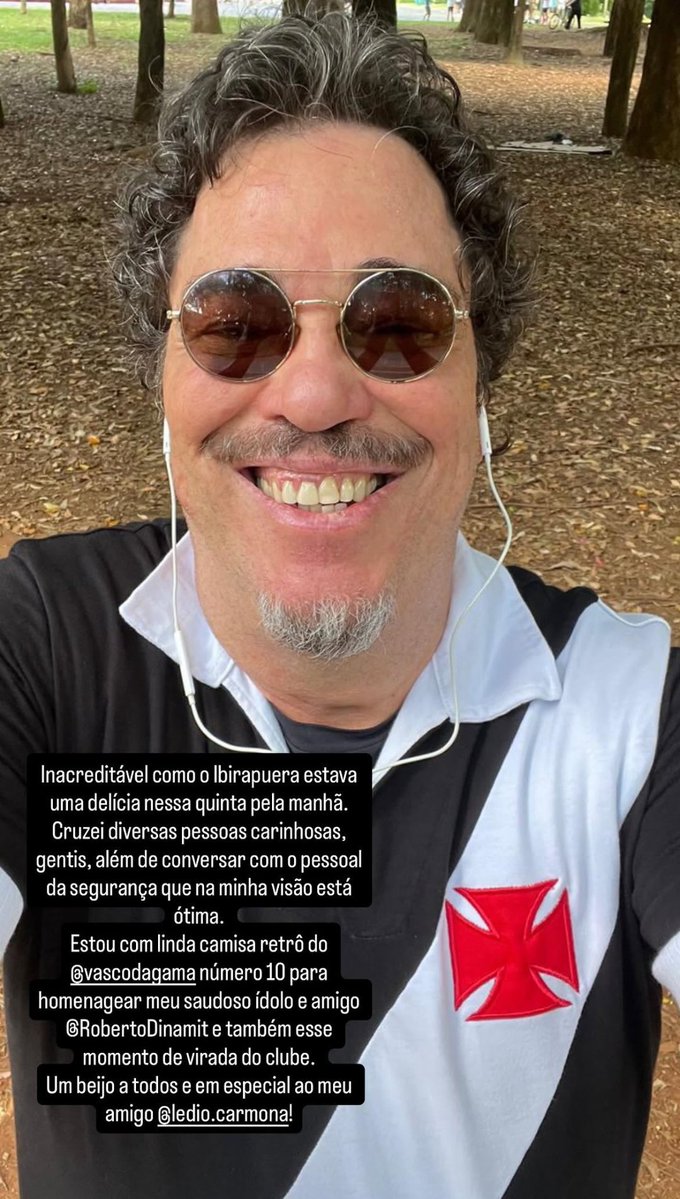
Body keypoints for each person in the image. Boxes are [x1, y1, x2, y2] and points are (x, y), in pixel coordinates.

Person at [0, 14, 678, 1199]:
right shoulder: (41, 649)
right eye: (234, 324)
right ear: (163, 373)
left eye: (398, 322)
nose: (313, 393)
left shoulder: (629, 714)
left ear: (478, 375)